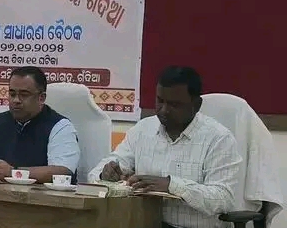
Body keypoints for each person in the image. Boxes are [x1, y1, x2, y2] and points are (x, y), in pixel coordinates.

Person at [88, 66, 241, 228]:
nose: (164, 110)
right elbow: (95, 173)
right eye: (160, 101)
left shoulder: (219, 139)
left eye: (174, 105)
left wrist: (171, 186)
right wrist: (106, 174)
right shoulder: (142, 130)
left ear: (196, 105)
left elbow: (223, 199)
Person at [0, 66, 80, 184]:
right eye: (12, 94)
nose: (16, 100)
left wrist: (13, 172)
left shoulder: (60, 126)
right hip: (0, 194)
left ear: (41, 98)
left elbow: (62, 172)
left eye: (24, 95)